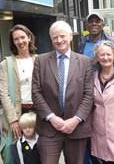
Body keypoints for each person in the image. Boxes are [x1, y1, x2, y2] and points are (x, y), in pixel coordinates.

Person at [32, 20, 93, 164]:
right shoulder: (40, 61)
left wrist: (76, 119)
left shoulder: (85, 62)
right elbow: (36, 92)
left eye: (62, 36)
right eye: (55, 37)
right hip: (49, 128)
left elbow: (89, 95)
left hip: (76, 128)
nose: (59, 40)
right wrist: (52, 117)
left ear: (70, 36)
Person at [0, 24, 37, 163]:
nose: (20, 41)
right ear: (13, 42)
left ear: (29, 37)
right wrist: (13, 120)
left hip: (37, 112)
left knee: (37, 152)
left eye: (22, 37)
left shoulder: (39, 60)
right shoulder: (6, 64)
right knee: (16, 153)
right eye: (16, 39)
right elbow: (4, 93)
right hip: (18, 113)